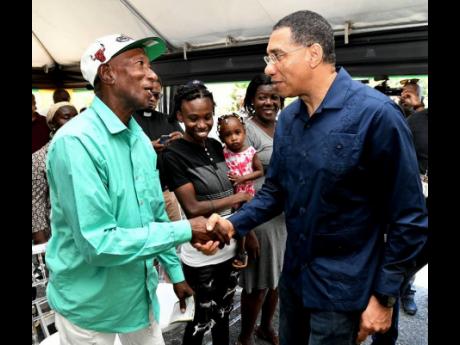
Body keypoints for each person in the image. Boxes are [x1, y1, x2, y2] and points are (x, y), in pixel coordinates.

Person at [206, 10, 428, 345]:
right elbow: (276, 190)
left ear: (314, 53)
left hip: (345, 289)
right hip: (296, 282)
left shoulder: (376, 115)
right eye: (268, 58)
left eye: (277, 56)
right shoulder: (291, 118)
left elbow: (409, 217)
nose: (268, 67)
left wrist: (385, 297)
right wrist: (235, 224)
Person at [45, 34, 219, 345]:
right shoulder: (76, 142)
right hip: (90, 309)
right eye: (140, 64)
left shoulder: (139, 139)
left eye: (151, 66)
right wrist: (186, 230)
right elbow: (98, 243)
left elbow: (154, 216)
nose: (153, 76)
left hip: (139, 297)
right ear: (108, 73)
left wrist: (175, 274)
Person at [162, 82, 253, 345]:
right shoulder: (173, 154)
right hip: (202, 252)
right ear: (179, 116)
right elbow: (193, 207)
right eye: (193, 118)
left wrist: (246, 232)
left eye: (207, 117)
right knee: (198, 322)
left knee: (223, 315)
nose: (202, 124)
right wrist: (238, 197)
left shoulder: (215, 145)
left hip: (230, 244)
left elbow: (234, 185)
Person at [233, 74, 287, 345]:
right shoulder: (244, 130)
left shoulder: (285, 125)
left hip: (284, 216)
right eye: (262, 97)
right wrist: (247, 227)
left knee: (276, 278)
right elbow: (235, 181)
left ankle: (266, 327)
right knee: (258, 284)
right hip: (259, 215)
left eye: (274, 97)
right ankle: (244, 337)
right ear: (252, 100)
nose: (269, 102)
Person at [133, 75, 184, 221]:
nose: (153, 99)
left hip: (167, 191)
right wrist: (148, 147)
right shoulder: (127, 120)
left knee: (176, 238)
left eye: (157, 95)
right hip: (140, 194)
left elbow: (186, 148)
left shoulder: (167, 119)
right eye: (149, 93)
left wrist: (180, 140)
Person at [217, 112, 264, 269]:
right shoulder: (223, 153)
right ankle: (230, 252)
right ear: (222, 138)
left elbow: (260, 171)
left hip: (246, 193)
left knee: (243, 219)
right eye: (228, 135)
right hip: (230, 195)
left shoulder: (250, 152)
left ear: (244, 132)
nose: (234, 138)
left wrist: (242, 179)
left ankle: (241, 251)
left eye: (237, 133)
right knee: (231, 220)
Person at [32, 101, 78, 245]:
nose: (73, 122)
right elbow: (36, 205)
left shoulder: (86, 152)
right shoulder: (39, 159)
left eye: (76, 117)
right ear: (52, 124)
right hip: (58, 236)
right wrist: (42, 245)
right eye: (66, 117)